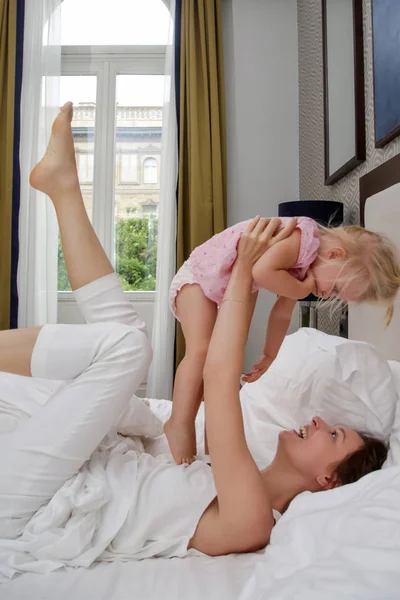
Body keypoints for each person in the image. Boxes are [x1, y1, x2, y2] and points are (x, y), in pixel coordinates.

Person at [0, 104, 388, 578]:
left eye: (333, 434)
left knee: (126, 350)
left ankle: (62, 189)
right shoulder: (234, 471)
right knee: (130, 342)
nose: (320, 419)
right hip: (68, 466)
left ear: (328, 479)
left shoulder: (253, 520)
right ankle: (62, 189)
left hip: (29, 496)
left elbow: (219, 379)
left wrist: (245, 270)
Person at [167, 209, 400, 464]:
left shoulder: (301, 268)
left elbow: (281, 315)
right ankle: (179, 423)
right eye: (335, 288)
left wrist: (269, 355)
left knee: (216, 360)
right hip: (197, 278)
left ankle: (211, 433)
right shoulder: (304, 239)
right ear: (335, 254)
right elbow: (261, 271)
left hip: (219, 287)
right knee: (200, 351)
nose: (326, 295)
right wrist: (300, 290)